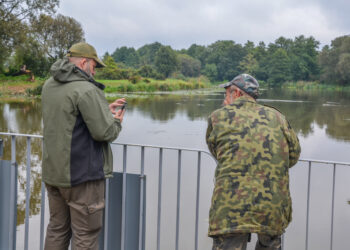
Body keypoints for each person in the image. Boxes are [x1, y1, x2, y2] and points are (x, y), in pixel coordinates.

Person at [41, 42, 126, 250]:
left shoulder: (49, 85)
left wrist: (103, 108)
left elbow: (69, 114)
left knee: (57, 229)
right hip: (82, 178)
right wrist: (116, 121)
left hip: (54, 174)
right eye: (95, 66)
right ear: (84, 62)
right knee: (85, 236)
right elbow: (104, 132)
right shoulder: (87, 89)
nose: (95, 71)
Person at [206, 74, 301, 250]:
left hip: (230, 205)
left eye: (226, 94)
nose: (224, 100)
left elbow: (217, 151)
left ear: (237, 94)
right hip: (271, 204)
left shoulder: (217, 117)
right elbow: (293, 156)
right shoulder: (277, 117)